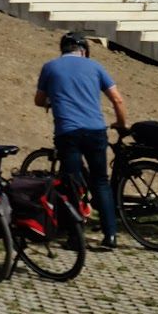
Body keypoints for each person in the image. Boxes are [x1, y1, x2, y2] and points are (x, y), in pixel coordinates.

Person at [35, 31, 129, 250]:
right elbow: (117, 98)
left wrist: (55, 100)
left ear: (62, 50)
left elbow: (39, 100)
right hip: (96, 131)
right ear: (84, 51)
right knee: (101, 182)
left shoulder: (50, 67)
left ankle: (75, 237)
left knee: (72, 184)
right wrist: (122, 123)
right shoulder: (95, 67)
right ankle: (110, 236)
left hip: (68, 133)